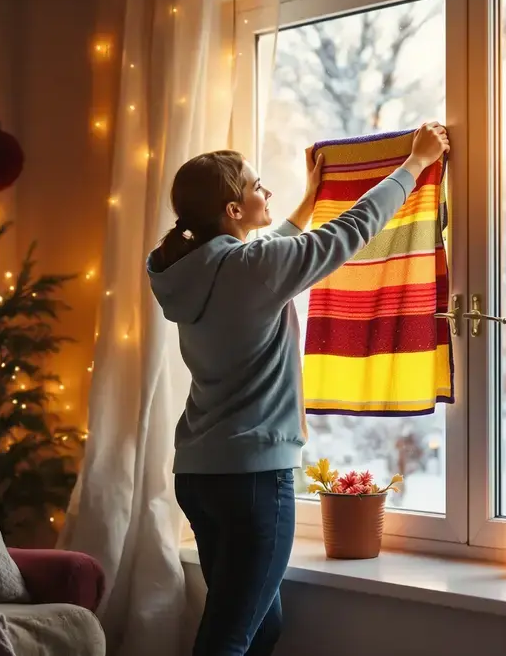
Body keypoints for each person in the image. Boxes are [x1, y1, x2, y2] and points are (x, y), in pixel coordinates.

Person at [146, 122, 450, 656]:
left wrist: (308, 201)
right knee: (230, 638)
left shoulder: (189, 270)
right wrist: (414, 164)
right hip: (252, 479)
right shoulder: (252, 268)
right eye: (256, 186)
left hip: (198, 475)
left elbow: (264, 260)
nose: (266, 192)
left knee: (259, 628)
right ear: (233, 209)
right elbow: (350, 231)